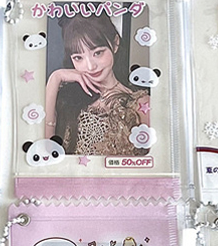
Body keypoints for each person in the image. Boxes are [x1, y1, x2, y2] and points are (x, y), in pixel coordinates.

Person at [44, 11, 150, 156]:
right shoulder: (64, 96)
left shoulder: (139, 104)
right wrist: (55, 78)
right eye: (78, 58)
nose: (90, 66)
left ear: (115, 43)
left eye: (98, 53)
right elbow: (45, 152)